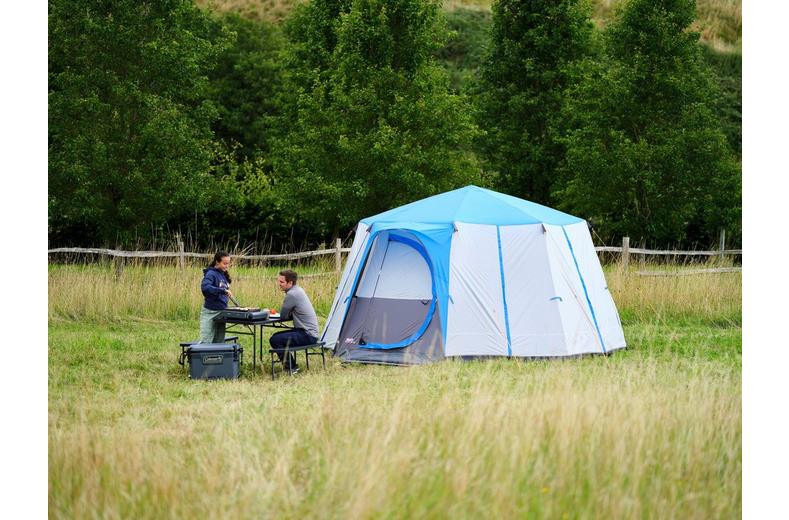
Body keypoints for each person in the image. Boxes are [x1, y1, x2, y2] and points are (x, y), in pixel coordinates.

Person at [269, 269, 319, 373]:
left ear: (290, 283)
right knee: (276, 337)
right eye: (279, 281)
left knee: (276, 340)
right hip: (309, 332)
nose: (279, 284)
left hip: (307, 335)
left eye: (282, 282)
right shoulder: (299, 290)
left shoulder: (292, 294)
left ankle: (291, 368)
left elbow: (283, 316)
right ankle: (291, 366)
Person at [199, 251, 233, 344]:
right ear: (217, 262)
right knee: (206, 341)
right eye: (224, 263)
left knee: (219, 342)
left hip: (222, 312)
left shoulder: (223, 274)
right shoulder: (211, 274)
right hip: (210, 312)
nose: (227, 266)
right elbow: (206, 288)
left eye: (228, 264)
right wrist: (223, 291)